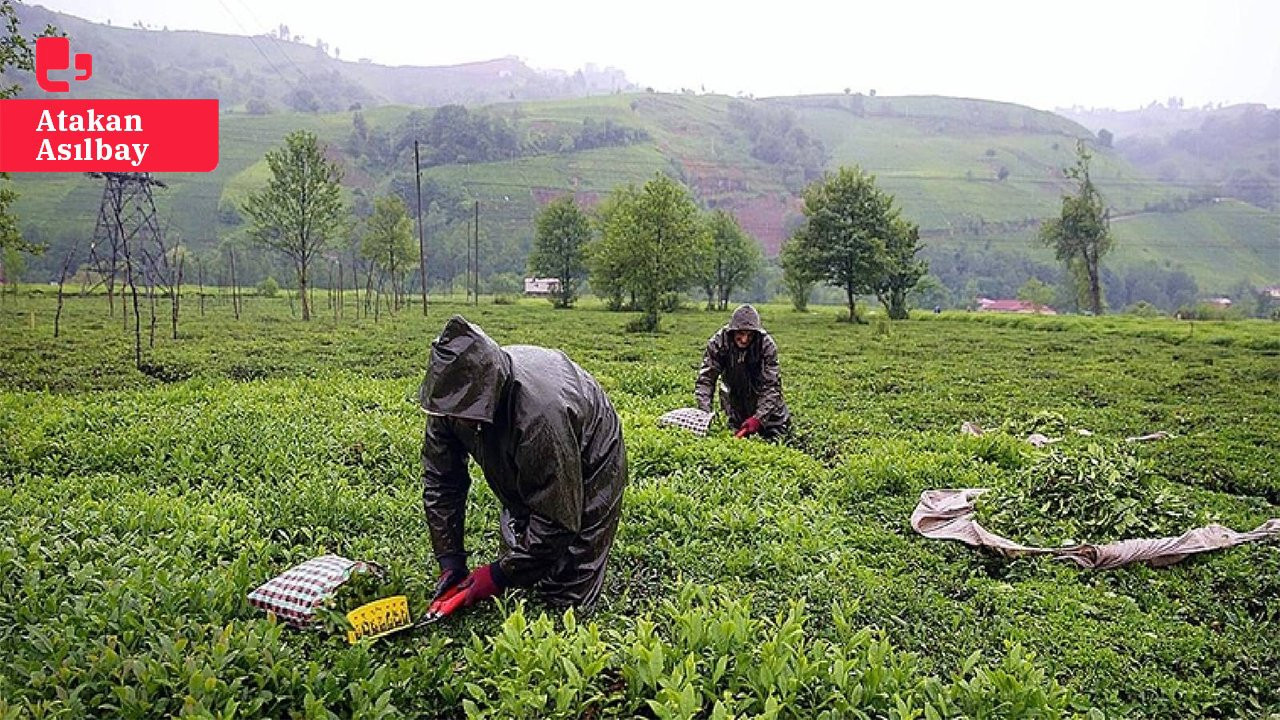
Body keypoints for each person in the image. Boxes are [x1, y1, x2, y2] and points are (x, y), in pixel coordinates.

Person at [419, 316, 627, 617]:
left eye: (468, 412)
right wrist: (450, 562)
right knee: (523, 550)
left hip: (592, 446)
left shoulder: (540, 415)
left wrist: (493, 577)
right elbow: (441, 483)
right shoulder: (446, 399)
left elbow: (558, 520)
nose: (460, 421)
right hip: (536, 433)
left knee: (568, 590)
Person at [694, 304, 791, 439]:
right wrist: (705, 413)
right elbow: (706, 380)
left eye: (749, 335)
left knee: (777, 440)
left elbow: (771, 387)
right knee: (730, 439)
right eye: (740, 333)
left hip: (767, 410)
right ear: (732, 331)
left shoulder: (766, 345)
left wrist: (759, 418)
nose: (744, 339)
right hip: (734, 404)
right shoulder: (719, 343)